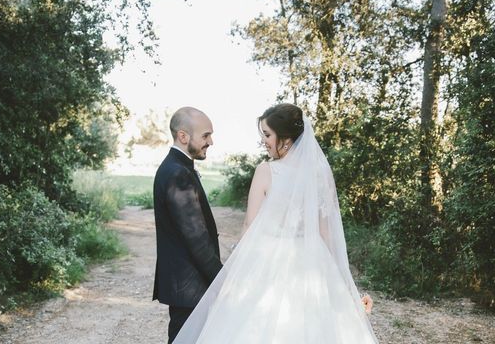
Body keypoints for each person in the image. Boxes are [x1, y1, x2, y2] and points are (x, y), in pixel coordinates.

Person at [173, 103, 378, 344]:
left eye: (267, 135)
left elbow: (249, 225)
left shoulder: (266, 171)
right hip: (315, 264)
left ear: (287, 138)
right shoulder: (320, 175)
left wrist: (233, 277)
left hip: (267, 262)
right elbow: (328, 236)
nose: (263, 141)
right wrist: (348, 290)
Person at [153, 107, 223, 343]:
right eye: (205, 135)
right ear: (183, 136)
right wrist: (221, 279)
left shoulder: (178, 167)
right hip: (189, 285)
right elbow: (196, 238)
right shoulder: (177, 173)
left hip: (189, 284)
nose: (210, 141)